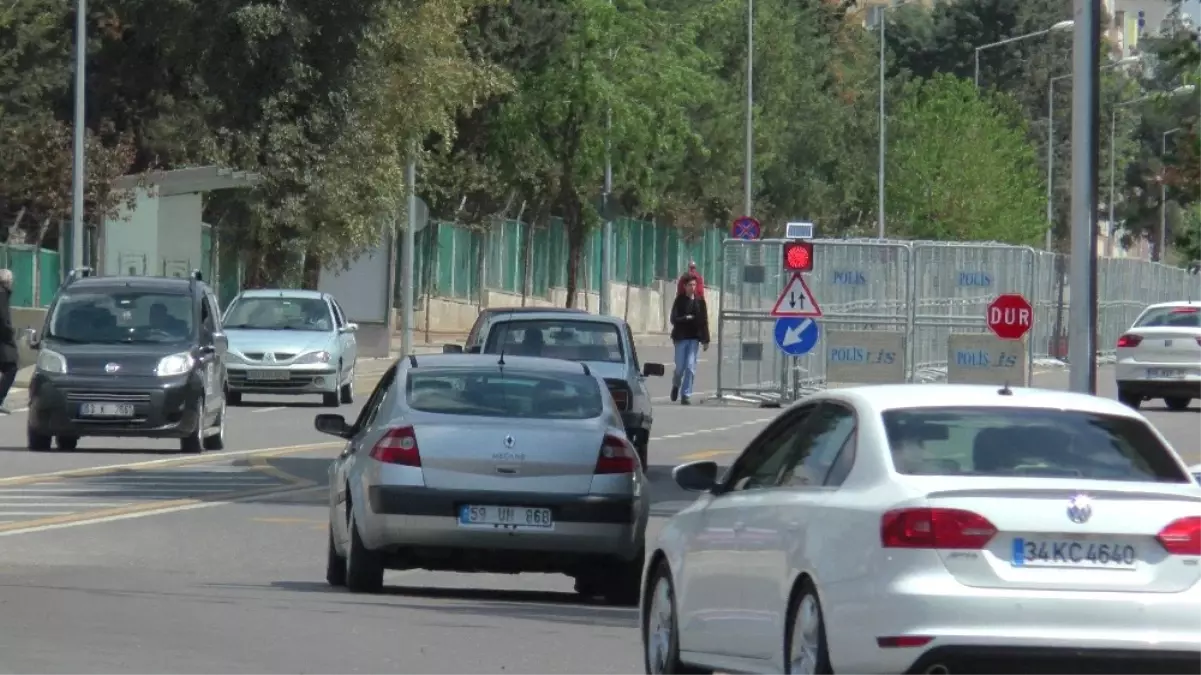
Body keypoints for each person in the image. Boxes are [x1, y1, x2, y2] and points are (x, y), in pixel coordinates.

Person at [669, 274, 710, 405]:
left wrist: (706, 339)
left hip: (694, 339)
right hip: (681, 338)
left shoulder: (700, 301)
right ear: (685, 287)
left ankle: (686, 394)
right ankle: (676, 384)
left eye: (694, 285)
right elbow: (673, 319)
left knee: (690, 366)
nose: (692, 287)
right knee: (680, 367)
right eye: (690, 285)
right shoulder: (679, 301)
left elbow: (704, 321)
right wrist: (685, 318)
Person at [0, 270, 18, 414]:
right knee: (11, 368)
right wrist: (10, 333)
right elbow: (3, 319)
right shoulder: (2, 294)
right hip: (3, 341)